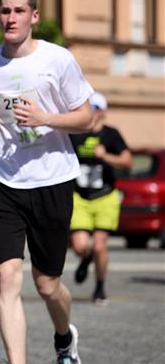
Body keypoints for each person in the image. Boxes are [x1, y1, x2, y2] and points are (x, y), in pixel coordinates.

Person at [0, 0, 94, 364]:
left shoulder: (57, 59)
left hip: (51, 179)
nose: (11, 18)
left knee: (47, 284)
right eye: (5, 11)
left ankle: (64, 338)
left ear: (34, 16)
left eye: (19, 10)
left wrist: (46, 117)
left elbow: (87, 118)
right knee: (7, 275)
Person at [69, 92, 132, 305]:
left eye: (95, 108)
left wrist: (105, 156)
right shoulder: (75, 134)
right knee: (79, 245)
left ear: (103, 112)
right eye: (89, 108)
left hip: (105, 196)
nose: (92, 112)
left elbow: (127, 161)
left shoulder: (111, 134)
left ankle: (99, 287)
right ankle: (86, 258)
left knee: (99, 246)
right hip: (80, 197)